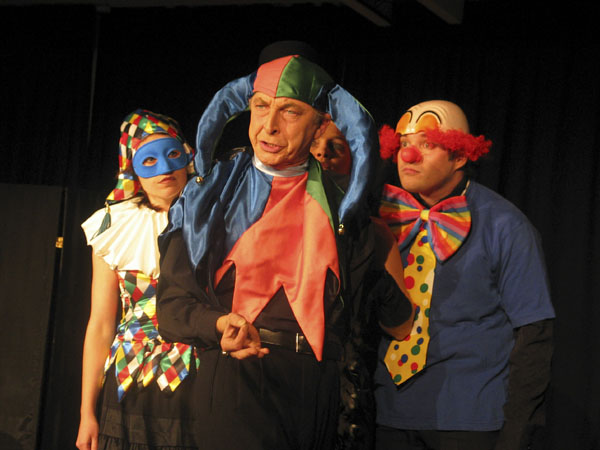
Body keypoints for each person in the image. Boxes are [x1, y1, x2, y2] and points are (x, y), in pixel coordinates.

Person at [155, 41, 413, 450]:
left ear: (320, 125)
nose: (269, 126)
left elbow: (397, 322)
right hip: (238, 380)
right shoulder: (208, 200)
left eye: (290, 111)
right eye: (260, 107)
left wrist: (371, 252)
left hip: (318, 390)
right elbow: (171, 309)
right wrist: (218, 325)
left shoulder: (345, 213)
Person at [374, 100, 555, 450]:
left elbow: (535, 335)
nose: (408, 156)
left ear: (459, 156)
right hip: (389, 414)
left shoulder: (506, 226)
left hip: (470, 418)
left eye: (427, 144)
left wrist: (517, 434)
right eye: (404, 143)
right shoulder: (383, 220)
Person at [76, 109, 198, 450]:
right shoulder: (114, 227)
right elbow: (101, 324)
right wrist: (86, 412)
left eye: (172, 155)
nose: (165, 169)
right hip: (129, 379)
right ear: (132, 169)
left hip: (197, 375)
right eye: (149, 159)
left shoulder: (217, 220)